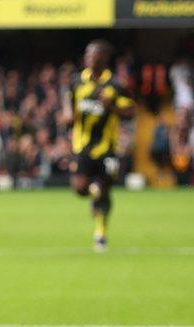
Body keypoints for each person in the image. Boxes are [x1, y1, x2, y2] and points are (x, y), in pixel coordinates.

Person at [63, 40, 135, 252]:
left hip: (107, 148)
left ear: (104, 58)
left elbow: (130, 112)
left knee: (104, 189)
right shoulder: (77, 81)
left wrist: (111, 106)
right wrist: (68, 114)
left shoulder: (115, 85)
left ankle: (101, 233)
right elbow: (69, 101)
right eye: (87, 54)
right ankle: (94, 199)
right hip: (82, 146)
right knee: (79, 188)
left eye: (93, 54)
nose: (89, 57)